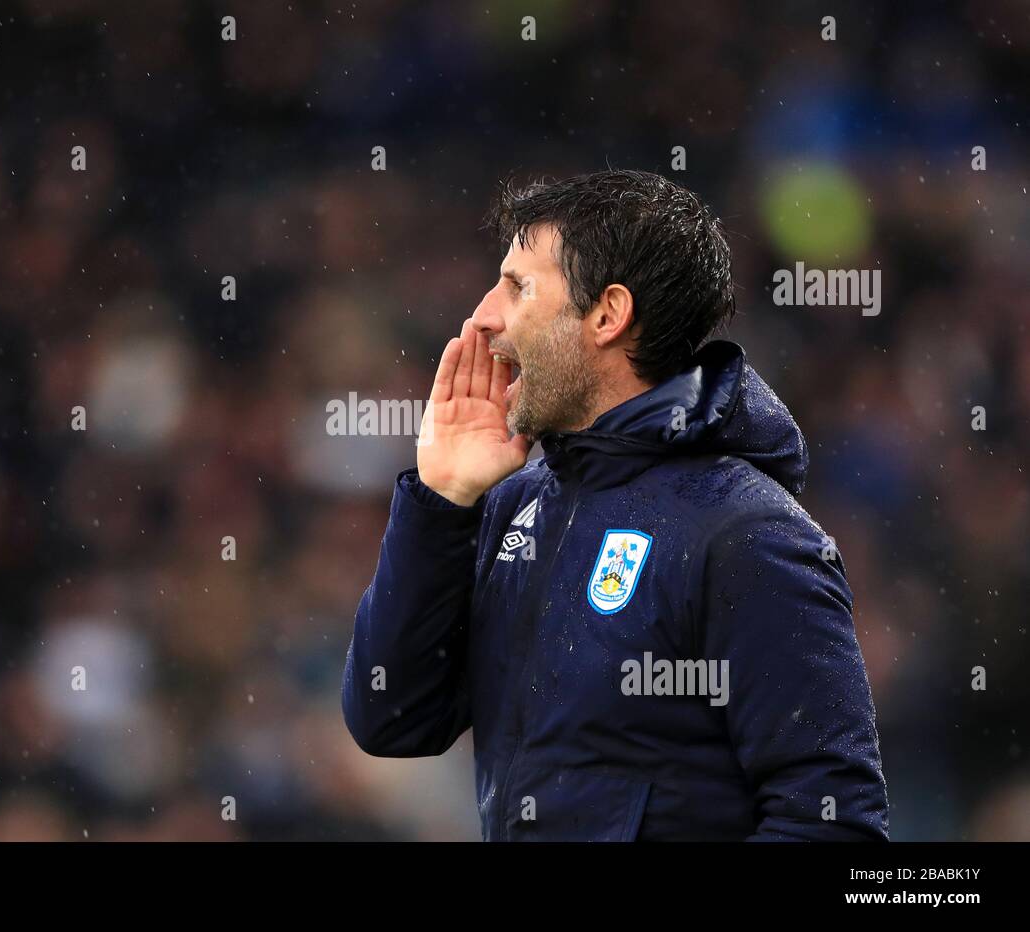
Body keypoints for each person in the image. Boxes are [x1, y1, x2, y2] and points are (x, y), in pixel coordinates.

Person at [341, 170, 889, 841]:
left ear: (607, 314)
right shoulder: (512, 507)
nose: (484, 315)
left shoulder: (748, 534)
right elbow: (391, 719)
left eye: (518, 287)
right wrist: (442, 501)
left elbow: (832, 824)